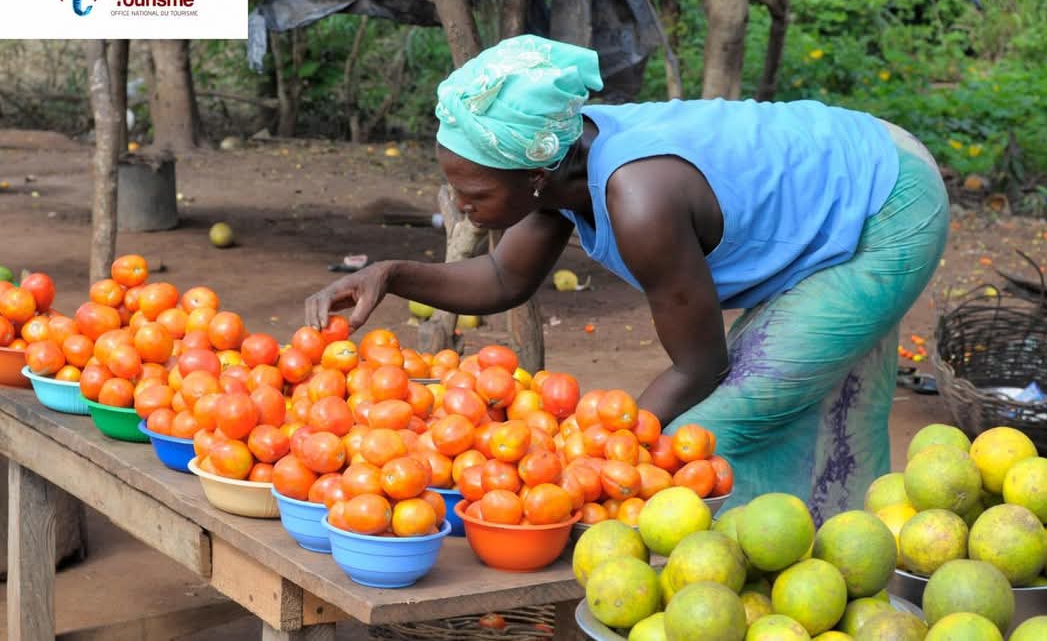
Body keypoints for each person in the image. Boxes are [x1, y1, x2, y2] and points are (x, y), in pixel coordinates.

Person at [305, 35, 949, 521]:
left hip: (885, 203)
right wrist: (390, 275)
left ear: (533, 177)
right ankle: (845, 542)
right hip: (845, 173)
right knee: (818, 402)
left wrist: (598, 453)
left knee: (706, 436)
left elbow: (700, 369)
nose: (461, 206)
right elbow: (504, 277)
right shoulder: (562, 164)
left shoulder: (639, 202)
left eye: (472, 194)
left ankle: (747, 583)